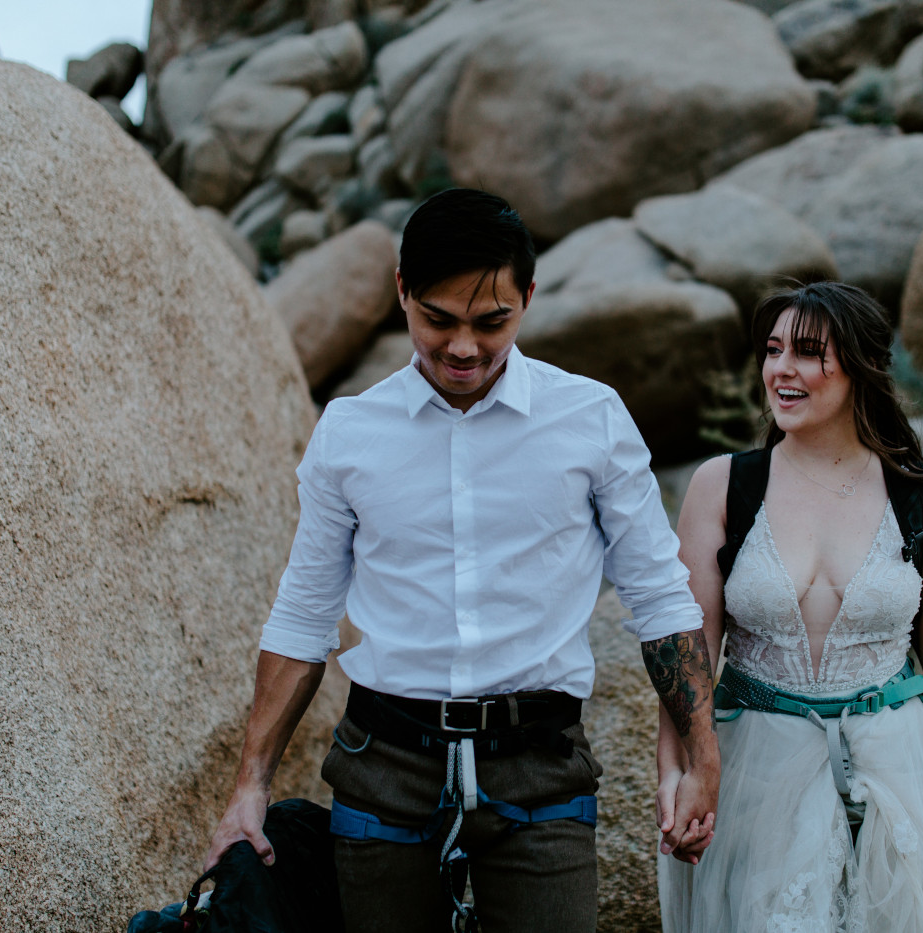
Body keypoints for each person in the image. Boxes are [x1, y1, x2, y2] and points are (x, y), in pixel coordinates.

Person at [204, 187, 720, 933]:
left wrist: (702, 758)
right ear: (402, 291)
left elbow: (661, 600)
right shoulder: (350, 433)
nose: (464, 347)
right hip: (384, 770)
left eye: (492, 321)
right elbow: (303, 616)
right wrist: (250, 785)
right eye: (437, 319)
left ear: (529, 297)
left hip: (541, 770)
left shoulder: (592, 418)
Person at [656, 281, 923, 931]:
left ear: (860, 366)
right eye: (771, 350)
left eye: (807, 352)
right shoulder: (722, 486)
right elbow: (689, 654)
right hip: (758, 769)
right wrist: (677, 771)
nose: (781, 369)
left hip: (902, 762)